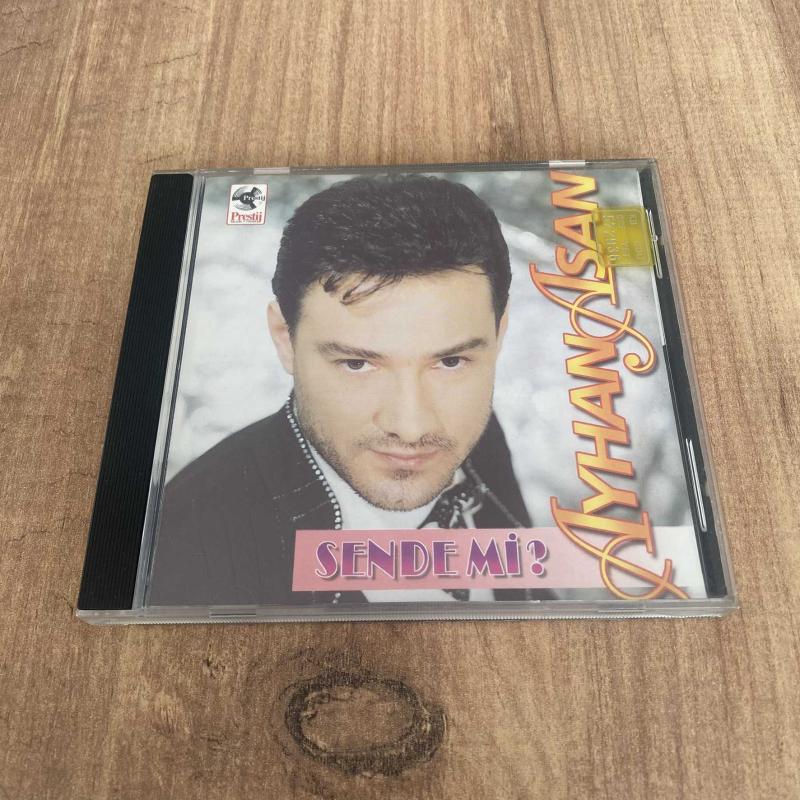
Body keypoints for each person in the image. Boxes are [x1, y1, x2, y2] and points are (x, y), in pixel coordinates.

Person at [149, 175, 536, 606]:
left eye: (450, 362)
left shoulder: (474, 432)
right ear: (285, 339)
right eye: (357, 364)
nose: (411, 427)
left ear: (500, 333)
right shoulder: (187, 551)